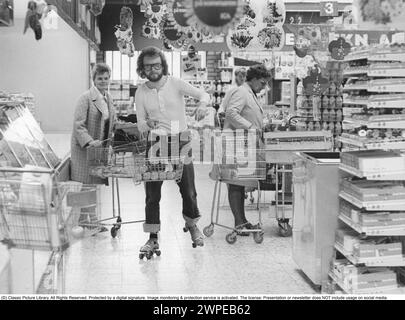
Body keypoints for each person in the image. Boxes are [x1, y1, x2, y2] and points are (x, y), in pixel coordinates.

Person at [135, 46, 210, 256]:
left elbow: (203, 94)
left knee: (188, 188)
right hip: (155, 143)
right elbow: (140, 124)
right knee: (152, 193)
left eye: (157, 65)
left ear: (163, 65)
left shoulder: (175, 83)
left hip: (180, 139)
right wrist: (147, 124)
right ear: (142, 68)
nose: (153, 69)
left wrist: (203, 105)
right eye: (148, 66)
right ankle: (152, 237)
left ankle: (193, 224)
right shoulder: (141, 92)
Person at [223, 64, 272, 236]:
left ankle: (242, 220)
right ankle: (238, 224)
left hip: (244, 143)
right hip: (237, 143)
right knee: (236, 185)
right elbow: (231, 113)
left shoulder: (250, 93)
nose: (264, 87)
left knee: (241, 184)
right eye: (262, 82)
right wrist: (251, 126)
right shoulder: (242, 92)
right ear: (254, 79)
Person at [70, 63, 116, 232]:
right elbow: (78, 125)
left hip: (100, 149)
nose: (103, 81)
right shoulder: (85, 98)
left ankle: (84, 220)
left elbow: (112, 121)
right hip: (85, 149)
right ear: (94, 79)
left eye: (106, 78)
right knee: (88, 184)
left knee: (92, 184)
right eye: (100, 78)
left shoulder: (108, 98)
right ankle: (94, 221)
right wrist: (90, 141)